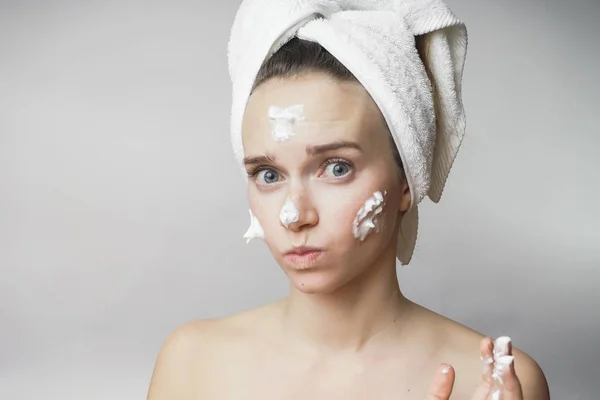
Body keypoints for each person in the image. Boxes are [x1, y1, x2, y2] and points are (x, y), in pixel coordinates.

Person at [147, 1, 550, 399]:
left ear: (405, 180)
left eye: (336, 167)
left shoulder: (493, 381)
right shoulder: (192, 365)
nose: (295, 215)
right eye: (268, 175)